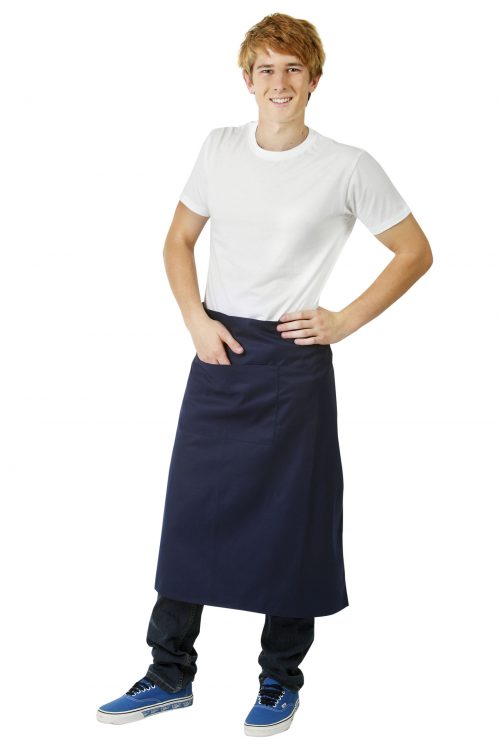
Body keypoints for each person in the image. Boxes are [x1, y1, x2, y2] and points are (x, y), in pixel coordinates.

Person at [96, 12, 433, 737]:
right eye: (266, 69)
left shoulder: (349, 166)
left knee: (293, 520)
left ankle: (280, 680)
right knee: (191, 512)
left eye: (293, 69)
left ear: (314, 79)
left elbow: (415, 251)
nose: (279, 83)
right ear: (246, 79)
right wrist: (195, 319)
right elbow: (179, 240)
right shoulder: (219, 148)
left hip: (292, 360)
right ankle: (168, 674)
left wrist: (344, 320)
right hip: (220, 352)